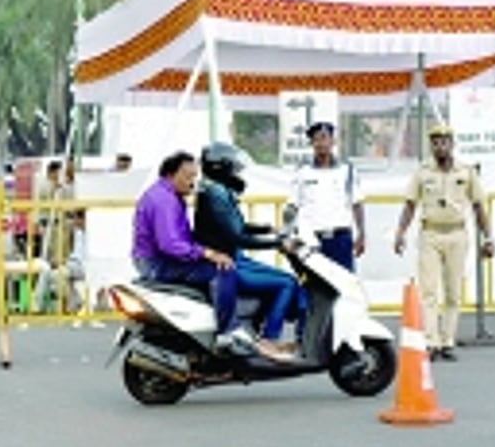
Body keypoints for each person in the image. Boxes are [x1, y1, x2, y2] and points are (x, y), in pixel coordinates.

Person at [132, 151, 260, 353]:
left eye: (194, 176)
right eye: (187, 176)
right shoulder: (164, 201)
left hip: (158, 259)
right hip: (158, 263)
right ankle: (227, 331)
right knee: (223, 269)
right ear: (170, 175)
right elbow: (171, 245)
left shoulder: (168, 195)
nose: (192, 182)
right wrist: (207, 253)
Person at [393, 125, 494, 362]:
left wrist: (488, 238)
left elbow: (479, 206)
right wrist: (400, 232)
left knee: (453, 292)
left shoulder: (466, 172)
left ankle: (447, 340)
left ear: (452, 144)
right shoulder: (423, 172)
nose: (440, 147)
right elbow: (410, 204)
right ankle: (431, 341)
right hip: (430, 234)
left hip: (457, 234)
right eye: (435, 142)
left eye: (444, 142)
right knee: (428, 291)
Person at [194, 142, 301, 362]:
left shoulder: (216, 191)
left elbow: (237, 226)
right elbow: (238, 237)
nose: (237, 173)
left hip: (233, 258)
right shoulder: (216, 194)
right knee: (287, 282)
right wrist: (277, 244)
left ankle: (260, 330)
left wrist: (270, 229)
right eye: (233, 168)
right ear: (221, 168)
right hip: (228, 263)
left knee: (284, 279)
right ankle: (269, 340)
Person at [287, 122, 366, 272]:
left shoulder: (346, 170)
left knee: (345, 288)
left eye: (324, 138)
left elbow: (357, 203)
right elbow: (292, 206)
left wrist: (362, 234)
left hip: (341, 239)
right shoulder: (302, 172)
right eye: (316, 139)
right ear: (311, 143)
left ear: (332, 141)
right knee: (316, 289)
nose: (321, 143)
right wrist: (287, 233)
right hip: (312, 240)